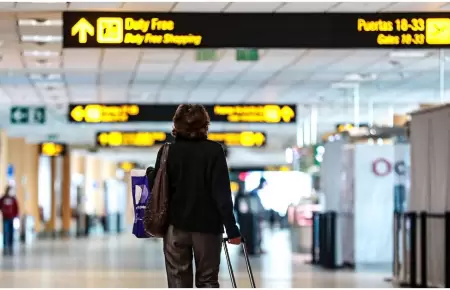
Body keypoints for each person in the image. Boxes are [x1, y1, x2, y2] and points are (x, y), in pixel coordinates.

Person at [153, 104, 241, 288]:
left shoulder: (167, 151)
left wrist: (150, 174)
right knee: (208, 281)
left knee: (178, 282)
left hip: (175, 227)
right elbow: (222, 193)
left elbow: (158, 188)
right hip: (208, 229)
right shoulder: (214, 151)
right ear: (205, 125)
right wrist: (232, 229)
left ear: (176, 125)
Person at [0, 186, 19, 255]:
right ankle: (5, 245)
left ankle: (11, 245)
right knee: (5, 232)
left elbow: (16, 208)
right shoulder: (3, 198)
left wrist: (16, 216)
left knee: (11, 232)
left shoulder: (13, 199)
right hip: (5, 218)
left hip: (12, 218)